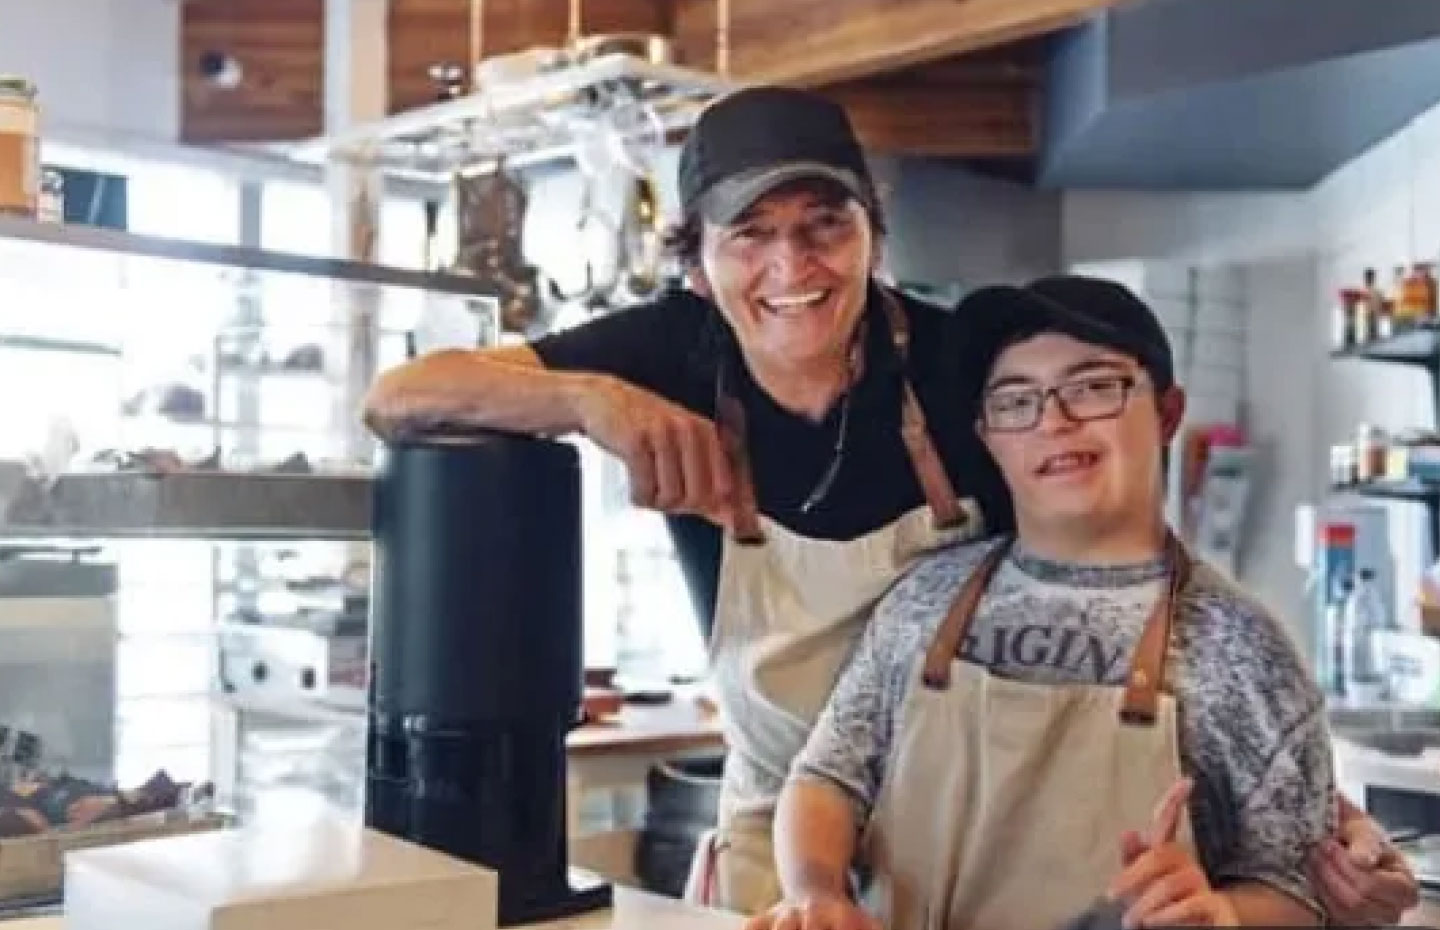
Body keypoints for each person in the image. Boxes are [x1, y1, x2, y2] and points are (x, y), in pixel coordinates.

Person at [362, 86, 1416, 921]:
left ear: (873, 231)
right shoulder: (664, 354)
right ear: (696, 261)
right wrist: (584, 399)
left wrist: (1274, 809)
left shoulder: (962, 368)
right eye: (751, 235)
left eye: (827, 225)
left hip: (972, 823)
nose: (792, 267)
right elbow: (397, 397)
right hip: (785, 829)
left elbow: (1109, 570)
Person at [745, 276, 1365, 930]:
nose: (1053, 420)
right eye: (1016, 400)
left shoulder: (1241, 646)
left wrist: (1222, 915)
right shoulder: (923, 602)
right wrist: (818, 889)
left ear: (1167, 412)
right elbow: (827, 779)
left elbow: (1301, 891)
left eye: (1094, 387)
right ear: (988, 434)